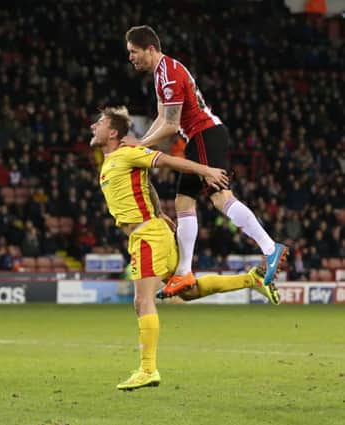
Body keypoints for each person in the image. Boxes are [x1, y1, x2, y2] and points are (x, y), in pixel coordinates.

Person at [90, 107, 280, 391]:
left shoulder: (127, 153)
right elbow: (147, 184)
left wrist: (206, 170)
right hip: (153, 232)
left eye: (100, 123)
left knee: (142, 302)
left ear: (114, 133)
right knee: (187, 291)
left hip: (147, 237)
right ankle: (251, 279)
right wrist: (159, 211)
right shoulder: (111, 162)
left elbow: (168, 161)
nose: (94, 126)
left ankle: (147, 369)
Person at [122, 25, 287, 295]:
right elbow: (162, 119)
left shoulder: (168, 76)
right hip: (202, 137)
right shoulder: (163, 72)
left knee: (220, 198)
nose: (130, 57)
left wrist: (139, 145)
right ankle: (184, 274)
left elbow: (172, 125)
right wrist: (140, 146)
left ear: (150, 49)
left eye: (133, 51)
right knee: (183, 201)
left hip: (204, 135)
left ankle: (270, 248)